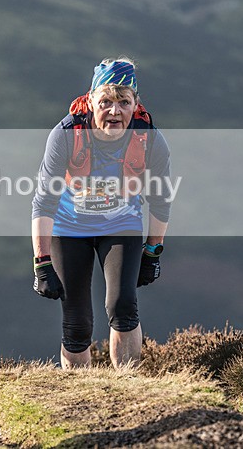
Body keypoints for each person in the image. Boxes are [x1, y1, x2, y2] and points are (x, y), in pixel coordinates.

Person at [31, 58, 170, 369]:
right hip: (68, 229)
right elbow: (44, 202)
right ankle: (79, 399)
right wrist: (41, 262)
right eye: (106, 101)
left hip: (121, 225)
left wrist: (152, 253)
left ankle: (126, 388)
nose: (114, 111)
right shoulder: (65, 134)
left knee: (122, 306)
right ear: (90, 99)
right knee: (77, 322)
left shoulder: (150, 139)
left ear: (136, 104)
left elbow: (160, 202)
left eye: (123, 101)